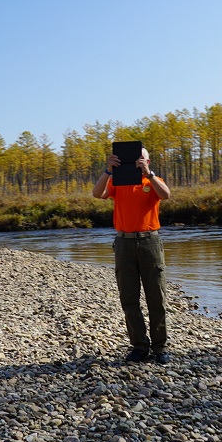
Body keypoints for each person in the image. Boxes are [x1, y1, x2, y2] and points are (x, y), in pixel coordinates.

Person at [92, 147, 172, 363]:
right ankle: (139, 346)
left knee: (156, 297)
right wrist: (108, 171)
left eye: (141, 158)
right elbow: (97, 194)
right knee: (129, 297)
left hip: (150, 242)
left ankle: (160, 348)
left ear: (148, 161)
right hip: (124, 243)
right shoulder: (117, 181)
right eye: (135, 158)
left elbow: (166, 195)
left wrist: (148, 174)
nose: (137, 161)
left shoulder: (153, 180)